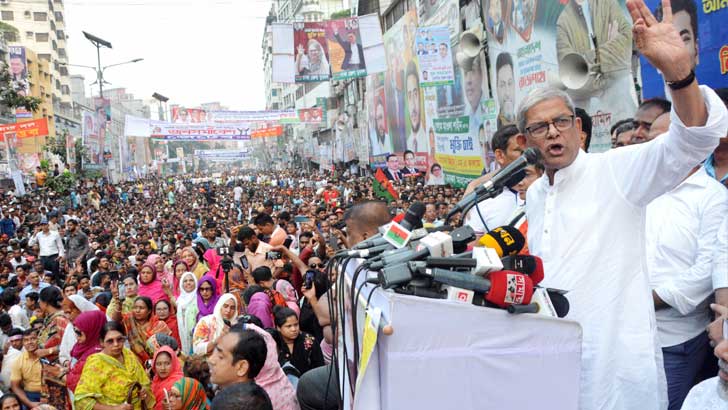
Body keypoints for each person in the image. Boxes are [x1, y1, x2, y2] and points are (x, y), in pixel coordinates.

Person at [516, 0, 728, 407]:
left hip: (617, 372)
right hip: (556, 362)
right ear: (526, 142)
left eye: (562, 121)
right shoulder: (539, 192)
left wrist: (678, 75)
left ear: (579, 127)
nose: (554, 133)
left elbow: (692, 140)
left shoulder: (616, 171)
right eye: (540, 127)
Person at [556, 0, 636, 122]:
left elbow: (625, 45)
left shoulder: (608, 4)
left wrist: (585, 60)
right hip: (588, 119)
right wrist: (609, 59)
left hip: (620, 109)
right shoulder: (563, 20)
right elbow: (570, 76)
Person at [74, 321, 155, 410]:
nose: (116, 344)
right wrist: (115, 408)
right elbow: (82, 400)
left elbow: (144, 382)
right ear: (102, 342)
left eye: (119, 339)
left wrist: (143, 391)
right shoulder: (96, 363)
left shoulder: (128, 354)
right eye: (110, 341)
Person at [463, 125, 523, 235]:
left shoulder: (546, 189)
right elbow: (473, 248)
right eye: (519, 151)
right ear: (500, 155)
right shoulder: (481, 202)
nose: (527, 156)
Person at [108, 288, 172, 364]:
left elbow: (168, 346)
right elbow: (115, 320)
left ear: (149, 311)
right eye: (135, 307)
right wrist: (119, 305)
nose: (137, 311)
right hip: (135, 362)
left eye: (141, 308)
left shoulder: (160, 325)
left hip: (158, 362)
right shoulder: (129, 320)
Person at [37, 287, 69, 409]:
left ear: (45, 303)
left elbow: (70, 344)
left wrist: (48, 351)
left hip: (59, 371)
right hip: (50, 371)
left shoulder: (61, 319)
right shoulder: (50, 319)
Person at [272, 307, 323, 377]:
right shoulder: (273, 343)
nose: (294, 329)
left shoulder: (309, 341)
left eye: (296, 325)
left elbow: (319, 367)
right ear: (278, 328)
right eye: (288, 326)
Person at [66, 310, 106, 396]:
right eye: (75, 331)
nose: (76, 336)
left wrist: (61, 376)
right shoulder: (82, 346)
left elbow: (80, 385)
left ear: (91, 330)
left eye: (79, 333)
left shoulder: (96, 354)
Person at [9, 329, 42, 410]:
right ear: (23, 343)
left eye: (33, 339)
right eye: (26, 340)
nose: (29, 342)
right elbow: (15, 387)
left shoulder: (48, 356)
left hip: (51, 393)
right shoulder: (18, 361)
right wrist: (30, 404)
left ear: (39, 339)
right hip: (30, 396)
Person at [150, 346, 184, 410]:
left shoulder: (177, 382)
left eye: (167, 363)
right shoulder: (156, 379)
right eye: (159, 364)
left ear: (173, 363)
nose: (163, 368)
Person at [405, 61, 426, 152]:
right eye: (409, 96)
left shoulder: (427, 140)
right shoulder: (408, 142)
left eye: (415, 94)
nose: (413, 106)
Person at [176, 272, 199, 355]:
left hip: (197, 334)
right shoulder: (179, 301)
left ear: (195, 282)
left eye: (191, 280)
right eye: (185, 281)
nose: (188, 283)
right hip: (183, 336)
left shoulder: (199, 298)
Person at [495, 52, 516, 128]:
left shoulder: (523, 125)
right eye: (502, 85)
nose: (507, 93)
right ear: (497, 89)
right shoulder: (494, 128)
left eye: (510, 83)